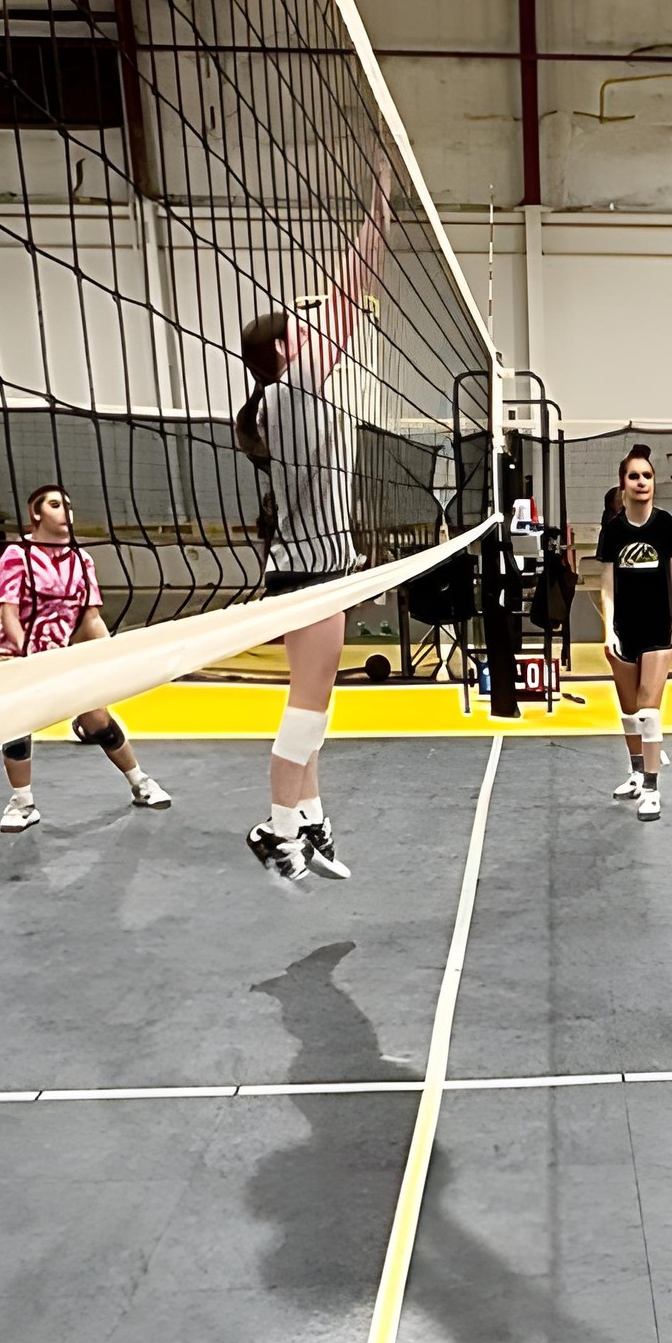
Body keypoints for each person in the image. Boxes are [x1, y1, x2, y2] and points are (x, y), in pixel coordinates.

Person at [234, 232, 376, 883]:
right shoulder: (291, 393)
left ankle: (311, 818)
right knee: (307, 708)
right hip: (312, 572)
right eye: (302, 329)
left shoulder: (290, 398)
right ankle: (276, 827)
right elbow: (347, 294)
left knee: (313, 702)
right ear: (284, 352)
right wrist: (380, 206)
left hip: (316, 566)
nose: (316, 332)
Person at [0, 485, 171, 831]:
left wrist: (113, 654)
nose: (66, 512)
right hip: (19, 657)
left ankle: (140, 782)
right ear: (36, 513)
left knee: (97, 720)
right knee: (16, 726)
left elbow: (90, 618)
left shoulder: (81, 560)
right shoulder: (17, 555)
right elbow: (8, 614)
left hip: (63, 657)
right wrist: (26, 655)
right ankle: (23, 803)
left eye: (68, 505)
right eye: (55, 505)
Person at [596, 448, 672, 823]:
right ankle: (636, 774)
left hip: (659, 629)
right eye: (634, 476)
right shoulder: (614, 531)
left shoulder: (665, 525)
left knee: (649, 711)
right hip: (625, 630)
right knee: (630, 712)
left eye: (647, 476)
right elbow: (606, 587)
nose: (641, 482)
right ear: (623, 485)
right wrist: (608, 631)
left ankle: (652, 789)